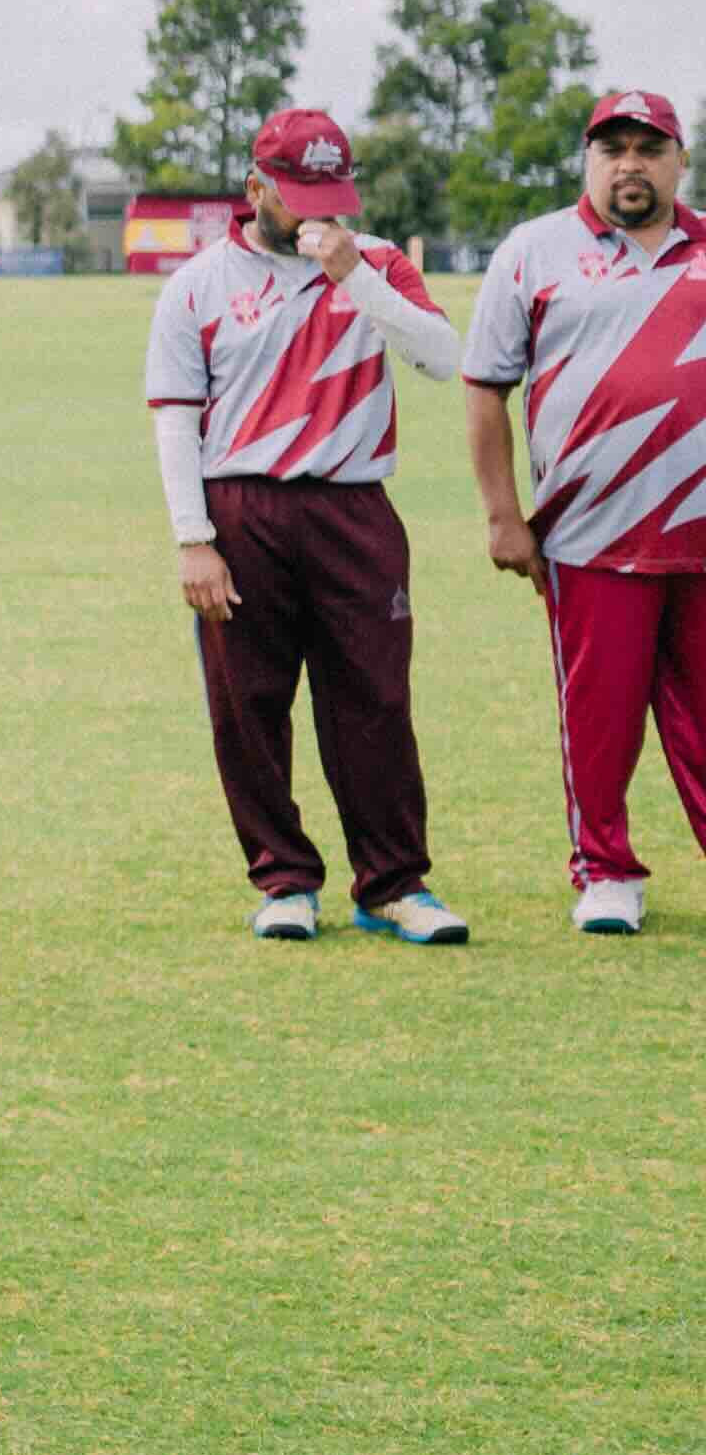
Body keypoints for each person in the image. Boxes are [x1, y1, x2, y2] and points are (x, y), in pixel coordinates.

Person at [145, 109, 468, 943]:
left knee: (375, 699)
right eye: (300, 197)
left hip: (354, 508)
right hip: (241, 509)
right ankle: (285, 880)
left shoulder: (379, 263)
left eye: (333, 196)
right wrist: (194, 538)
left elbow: (442, 357)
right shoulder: (197, 286)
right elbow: (177, 419)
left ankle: (394, 884)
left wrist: (356, 277)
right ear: (255, 190)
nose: (321, 214)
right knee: (247, 705)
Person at [463, 88, 706, 935]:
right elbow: (486, 385)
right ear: (589, 162)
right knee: (599, 718)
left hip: (703, 537)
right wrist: (503, 515)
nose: (630, 165)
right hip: (588, 533)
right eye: (614, 150)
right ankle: (607, 872)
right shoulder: (534, 252)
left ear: (681, 159)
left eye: (649, 148)